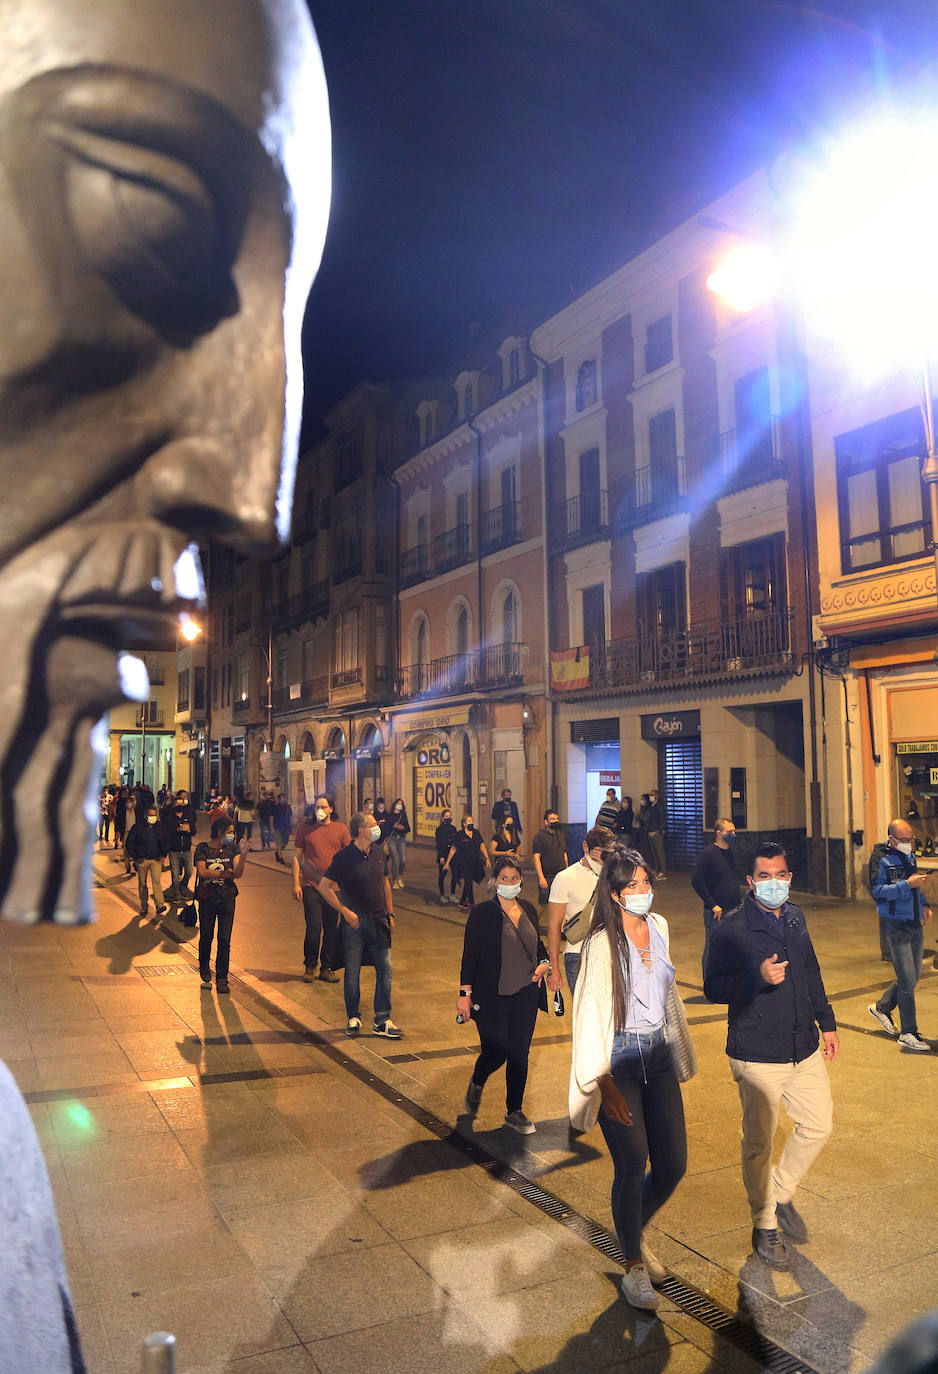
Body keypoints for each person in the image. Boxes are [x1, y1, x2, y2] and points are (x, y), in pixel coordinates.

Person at [704, 841, 838, 1271]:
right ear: (751, 881)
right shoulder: (733, 928)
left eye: (781, 875)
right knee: (759, 1143)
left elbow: (811, 969)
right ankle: (764, 1225)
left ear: (790, 877)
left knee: (818, 1124)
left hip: (803, 1046)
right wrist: (755, 976)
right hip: (757, 1053)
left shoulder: (796, 917)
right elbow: (714, 989)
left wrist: (828, 1022)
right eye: (765, 876)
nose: (774, 883)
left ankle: (779, 1193)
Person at [569, 846, 689, 1310]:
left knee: (674, 1163)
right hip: (617, 1062)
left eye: (647, 882)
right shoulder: (601, 945)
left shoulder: (659, 928)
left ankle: (632, 1230)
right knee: (632, 1158)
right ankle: (634, 1266)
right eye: (633, 886)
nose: (644, 892)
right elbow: (591, 1014)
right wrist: (603, 1082)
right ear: (615, 894)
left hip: (656, 1056)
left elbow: (667, 996)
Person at [459, 855, 551, 1135]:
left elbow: (538, 946)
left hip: (526, 993)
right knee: (495, 1051)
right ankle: (478, 1079)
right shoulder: (483, 913)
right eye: (504, 879)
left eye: (514, 879)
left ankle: (514, 1110)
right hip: (492, 996)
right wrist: (465, 994)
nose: (509, 884)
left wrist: (545, 963)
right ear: (494, 881)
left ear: (521, 880)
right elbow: (470, 956)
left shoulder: (528, 910)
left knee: (519, 1053)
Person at [319, 812, 402, 1039]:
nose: (377, 827)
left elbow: (385, 882)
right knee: (352, 971)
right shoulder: (344, 857)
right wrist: (344, 911)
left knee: (385, 970)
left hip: (379, 920)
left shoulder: (379, 852)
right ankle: (353, 1016)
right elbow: (324, 887)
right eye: (372, 824)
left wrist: (390, 913)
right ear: (360, 830)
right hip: (355, 924)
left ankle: (382, 1019)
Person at [868, 819, 933, 1051]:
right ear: (892, 839)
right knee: (907, 980)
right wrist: (907, 884)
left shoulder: (909, 856)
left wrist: (924, 905)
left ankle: (882, 1007)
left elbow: (915, 887)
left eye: (911, 838)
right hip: (895, 924)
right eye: (905, 840)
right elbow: (877, 891)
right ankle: (908, 1032)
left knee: (912, 977)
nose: (909, 843)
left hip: (914, 921)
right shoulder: (879, 859)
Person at [546, 826, 615, 997]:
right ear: (586, 846)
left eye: (609, 853)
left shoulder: (615, 875)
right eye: (601, 853)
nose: (604, 859)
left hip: (611, 954)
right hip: (578, 956)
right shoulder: (565, 878)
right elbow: (554, 926)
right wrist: (553, 969)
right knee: (585, 1019)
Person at [292, 793, 350, 982]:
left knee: (331, 930)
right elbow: (297, 857)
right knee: (313, 928)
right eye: (317, 807)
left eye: (324, 807)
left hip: (333, 889)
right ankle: (310, 966)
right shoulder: (305, 829)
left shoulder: (341, 830)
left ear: (331, 809)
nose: (320, 810)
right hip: (311, 885)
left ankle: (327, 967)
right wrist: (295, 883)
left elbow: (348, 857)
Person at [194, 818, 248, 994]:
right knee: (206, 937)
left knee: (224, 940)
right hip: (207, 899)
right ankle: (204, 966)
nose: (232, 835)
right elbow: (202, 872)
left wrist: (244, 855)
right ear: (219, 832)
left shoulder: (232, 849)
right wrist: (224, 873)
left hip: (227, 899)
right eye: (230, 832)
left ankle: (222, 977)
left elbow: (238, 873)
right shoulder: (202, 848)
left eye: (233, 832)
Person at [691, 818, 740, 982]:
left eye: (734, 831)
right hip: (717, 912)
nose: (733, 834)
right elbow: (697, 881)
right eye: (729, 832)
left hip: (734, 908)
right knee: (713, 948)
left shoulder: (731, 853)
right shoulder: (708, 854)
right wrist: (712, 904)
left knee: (732, 947)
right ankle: (710, 984)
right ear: (718, 833)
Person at [125, 804, 170, 916]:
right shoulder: (137, 827)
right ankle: (144, 906)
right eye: (150, 815)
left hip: (156, 859)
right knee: (142, 883)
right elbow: (129, 843)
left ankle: (159, 905)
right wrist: (136, 857)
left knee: (156, 881)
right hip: (142, 860)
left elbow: (167, 841)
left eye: (154, 815)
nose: (153, 817)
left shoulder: (160, 827)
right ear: (146, 816)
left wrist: (163, 854)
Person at [444, 815, 490, 910]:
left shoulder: (476, 833)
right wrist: (447, 862)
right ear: (464, 824)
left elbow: (481, 845)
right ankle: (472, 902)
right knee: (469, 882)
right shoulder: (459, 835)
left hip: (474, 862)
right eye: (469, 821)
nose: (471, 823)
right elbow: (453, 849)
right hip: (463, 863)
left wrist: (487, 858)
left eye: (472, 821)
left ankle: (463, 901)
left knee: (469, 882)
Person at [163, 791, 197, 904]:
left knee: (189, 871)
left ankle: (183, 885)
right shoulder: (170, 818)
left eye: (181, 804)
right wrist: (177, 830)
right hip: (174, 849)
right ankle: (176, 894)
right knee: (175, 873)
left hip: (186, 849)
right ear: (174, 805)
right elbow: (166, 833)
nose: (180, 805)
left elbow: (194, 831)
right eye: (177, 803)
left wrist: (189, 830)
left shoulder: (188, 816)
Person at [531, 809, 568, 908]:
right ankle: (535, 921)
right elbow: (536, 857)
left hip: (560, 874)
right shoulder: (540, 836)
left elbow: (564, 853)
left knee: (561, 902)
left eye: (557, 819)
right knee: (543, 904)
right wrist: (541, 877)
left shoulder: (561, 834)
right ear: (546, 822)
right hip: (547, 876)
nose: (555, 821)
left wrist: (567, 870)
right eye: (552, 819)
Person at [435, 808, 459, 904]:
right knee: (442, 874)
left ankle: (452, 894)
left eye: (450, 816)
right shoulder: (439, 829)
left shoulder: (453, 828)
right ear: (442, 818)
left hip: (453, 854)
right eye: (446, 816)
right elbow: (438, 844)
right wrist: (441, 856)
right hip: (443, 854)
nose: (448, 818)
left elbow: (456, 841)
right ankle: (442, 894)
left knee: (455, 874)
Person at [387, 798, 411, 889]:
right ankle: (394, 880)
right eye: (398, 803)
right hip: (392, 839)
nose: (399, 805)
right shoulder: (390, 815)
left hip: (401, 839)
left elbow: (408, 828)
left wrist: (402, 827)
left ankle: (400, 877)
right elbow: (386, 828)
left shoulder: (403, 815)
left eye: (401, 804)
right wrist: (393, 826)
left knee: (403, 860)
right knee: (395, 860)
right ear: (394, 804)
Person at [646, 788, 667, 879]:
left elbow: (661, 819)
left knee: (659, 852)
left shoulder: (659, 806)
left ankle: (662, 871)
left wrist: (659, 830)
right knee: (654, 852)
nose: (651, 797)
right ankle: (657, 870)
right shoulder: (651, 806)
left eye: (652, 795)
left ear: (657, 796)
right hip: (651, 831)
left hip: (657, 831)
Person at [272, 793, 293, 864]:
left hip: (286, 827)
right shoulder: (275, 807)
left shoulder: (288, 807)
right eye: (281, 798)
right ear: (278, 799)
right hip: (277, 827)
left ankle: (278, 852)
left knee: (285, 842)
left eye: (284, 798)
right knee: (279, 843)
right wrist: (272, 827)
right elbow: (271, 817)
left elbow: (290, 816)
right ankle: (281, 858)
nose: (283, 799)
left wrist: (290, 825)